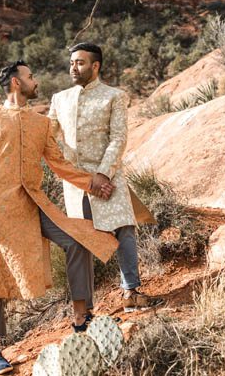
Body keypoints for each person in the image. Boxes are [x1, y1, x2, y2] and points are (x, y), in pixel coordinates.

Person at [0, 60, 119, 375]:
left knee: (77, 241)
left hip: (36, 203)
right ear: (15, 82)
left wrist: (92, 181)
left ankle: (82, 319)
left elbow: (59, 164)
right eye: (29, 76)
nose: (34, 80)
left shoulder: (40, 123)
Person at [48, 42, 163, 315]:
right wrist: (69, 167)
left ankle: (131, 292)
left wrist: (102, 174)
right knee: (82, 240)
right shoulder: (59, 99)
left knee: (124, 229)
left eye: (80, 63)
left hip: (109, 177)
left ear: (95, 66)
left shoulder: (114, 96)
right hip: (76, 184)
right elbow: (48, 135)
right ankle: (84, 308)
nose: (73, 68)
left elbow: (119, 138)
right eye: (72, 63)